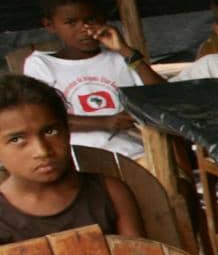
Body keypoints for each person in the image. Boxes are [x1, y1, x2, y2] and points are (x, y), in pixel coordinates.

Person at [22, 0, 162, 159]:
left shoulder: (121, 59)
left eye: (91, 19)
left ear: (103, 19)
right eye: (71, 22)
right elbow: (42, 117)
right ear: (50, 25)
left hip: (136, 154)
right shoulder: (41, 64)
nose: (85, 30)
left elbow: (164, 96)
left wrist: (125, 50)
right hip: (82, 160)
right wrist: (105, 122)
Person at [0, 74, 142, 243]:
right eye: (17, 139)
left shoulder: (110, 194)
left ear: (67, 131)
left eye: (50, 131)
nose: (42, 151)